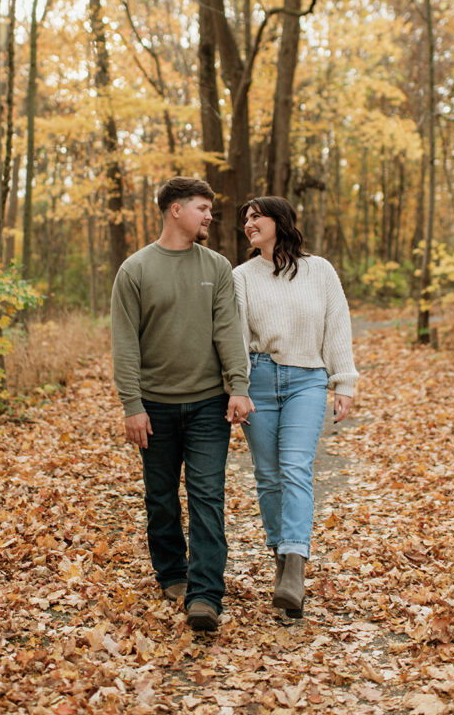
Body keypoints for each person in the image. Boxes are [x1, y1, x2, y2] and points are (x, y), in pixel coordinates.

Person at [111, 176, 253, 633]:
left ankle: (206, 594)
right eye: (200, 208)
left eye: (210, 208)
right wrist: (132, 404)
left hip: (209, 405)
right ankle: (172, 573)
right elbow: (125, 344)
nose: (209, 215)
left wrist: (238, 386)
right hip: (155, 407)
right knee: (161, 499)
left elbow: (228, 332)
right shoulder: (135, 270)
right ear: (175, 210)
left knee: (208, 497)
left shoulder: (216, 265)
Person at [232, 196, 358, 618]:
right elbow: (234, 337)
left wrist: (344, 381)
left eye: (256, 216)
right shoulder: (242, 276)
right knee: (268, 476)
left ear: (279, 221)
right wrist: (237, 388)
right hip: (260, 380)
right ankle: (282, 561)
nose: (248, 223)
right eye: (245, 219)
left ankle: (294, 569)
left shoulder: (319, 270)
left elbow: (337, 324)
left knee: (296, 468)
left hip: (307, 378)